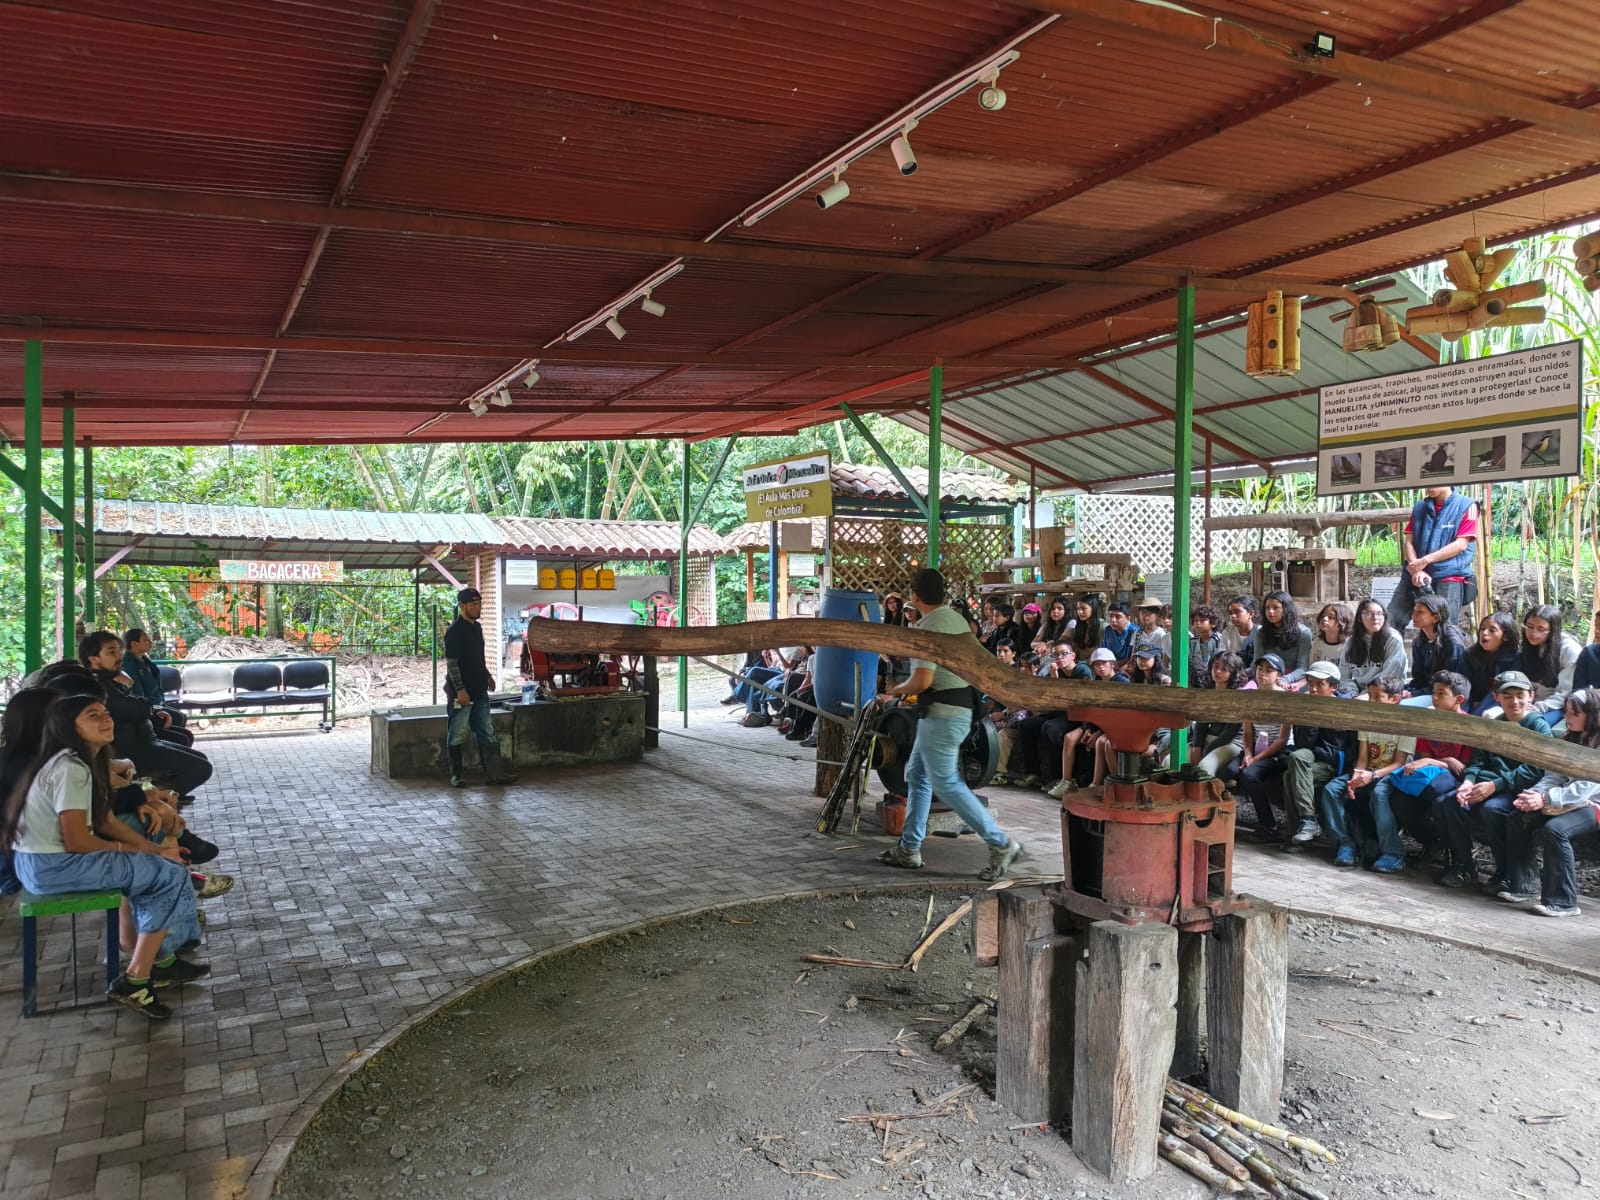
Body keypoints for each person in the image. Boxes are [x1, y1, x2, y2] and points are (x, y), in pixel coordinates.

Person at [3, 694, 207, 1019]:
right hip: (54, 867)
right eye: (92, 715)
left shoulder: (80, 761)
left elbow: (104, 821)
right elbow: (78, 840)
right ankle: (138, 978)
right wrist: (132, 853)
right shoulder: (71, 768)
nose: (106, 719)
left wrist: (151, 851)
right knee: (168, 876)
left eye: (105, 713)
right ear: (69, 728)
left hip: (42, 864)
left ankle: (160, 960)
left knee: (158, 867)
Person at [877, 568, 1025, 881]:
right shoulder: (957, 620)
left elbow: (922, 680)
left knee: (945, 783)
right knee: (918, 776)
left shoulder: (928, 627)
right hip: (958, 711)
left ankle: (1001, 843)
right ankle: (909, 848)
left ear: (915, 597)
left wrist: (896, 690)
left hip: (942, 714)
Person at [1435, 670, 1551, 892]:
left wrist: (1494, 785)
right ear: (1497, 698)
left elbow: (1535, 769)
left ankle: (1507, 871)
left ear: (1531, 696)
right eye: (1507, 696)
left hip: (1518, 788)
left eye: (1520, 695)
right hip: (1490, 784)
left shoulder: (1538, 726)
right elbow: (1478, 760)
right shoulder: (1492, 725)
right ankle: (1464, 865)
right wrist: (1468, 782)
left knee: (1493, 809)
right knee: (1449, 802)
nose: (1514, 701)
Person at [79, 632, 213, 797]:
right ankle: (155, 798)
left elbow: (138, 703)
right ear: (94, 659)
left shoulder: (111, 678)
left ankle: (160, 793)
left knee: (198, 757)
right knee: (201, 768)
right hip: (131, 746)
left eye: (119, 650)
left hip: (143, 737)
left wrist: (153, 709)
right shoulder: (97, 685)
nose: (119, 656)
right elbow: (132, 707)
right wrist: (132, 689)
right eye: (111, 652)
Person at [1508, 688, 1600, 917]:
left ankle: (1564, 901)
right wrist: (1533, 795)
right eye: (1567, 711)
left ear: (1592, 715)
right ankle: (1524, 884)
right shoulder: (1569, 738)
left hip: (1594, 805)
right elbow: (1554, 775)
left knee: (1556, 830)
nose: (1567, 717)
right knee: (1519, 817)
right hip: (1564, 799)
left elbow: (1586, 788)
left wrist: (1545, 798)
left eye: (1574, 713)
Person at [1318, 677, 1413, 871]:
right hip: (1368, 771)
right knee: (1332, 790)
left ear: (1394, 699)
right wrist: (1356, 777)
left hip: (1392, 775)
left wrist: (1372, 776)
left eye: (1378, 697)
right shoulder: (1368, 722)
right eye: (1370, 696)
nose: (1372, 701)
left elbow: (1399, 763)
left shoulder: (1405, 724)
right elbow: (1363, 758)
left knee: (1379, 795)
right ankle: (1345, 842)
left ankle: (1393, 853)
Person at [1391, 671, 1474, 863]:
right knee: (1399, 800)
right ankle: (1431, 841)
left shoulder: (1470, 725)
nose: (1434, 698)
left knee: (1440, 799)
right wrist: (1442, 760)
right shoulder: (1430, 722)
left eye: (1442, 693)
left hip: (1456, 779)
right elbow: (1425, 756)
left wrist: (1436, 761)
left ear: (1459, 699)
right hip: (1432, 772)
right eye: (1434, 692)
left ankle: (1452, 850)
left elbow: (1462, 766)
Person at [443, 587, 518, 787]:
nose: (478, 608)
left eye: (479, 604)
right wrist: (460, 690)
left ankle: (496, 774)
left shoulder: (477, 628)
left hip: (479, 690)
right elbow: (452, 663)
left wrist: (487, 675)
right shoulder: (454, 632)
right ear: (462, 606)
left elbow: (478, 658)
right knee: (457, 732)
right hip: (462, 694)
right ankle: (456, 776)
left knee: (486, 731)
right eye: (474, 604)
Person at [1386, 485, 1480, 632]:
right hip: (1414, 573)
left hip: (1449, 576)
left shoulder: (1467, 505)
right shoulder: (1419, 507)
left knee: (1444, 628)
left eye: (1433, 483)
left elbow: (1461, 544)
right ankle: (1393, 655)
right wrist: (1416, 568)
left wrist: (1424, 561)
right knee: (1391, 621)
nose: (1427, 487)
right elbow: (1409, 541)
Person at [1280, 661, 1352, 845]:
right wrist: (1311, 717)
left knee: (1293, 769)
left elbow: (1333, 751)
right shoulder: (1305, 705)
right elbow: (1302, 743)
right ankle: (1302, 826)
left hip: (1331, 764)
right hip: (1309, 758)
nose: (1313, 689)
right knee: (1293, 767)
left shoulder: (1342, 710)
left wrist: (1314, 749)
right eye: (1311, 683)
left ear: (1333, 687)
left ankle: (1305, 822)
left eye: (1320, 684)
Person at [1224, 654, 1292, 839]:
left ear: (1278, 675)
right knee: (1229, 770)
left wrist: (1255, 760)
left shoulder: (1285, 700)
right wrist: (1247, 753)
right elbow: (1247, 731)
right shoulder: (1251, 698)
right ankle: (1223, 818)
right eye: (1260, 669)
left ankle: (1268, 825)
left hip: (1277, 750)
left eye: (1268, 671)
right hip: (1254, 747)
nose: (1262, 674)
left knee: (1249, 774)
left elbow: (1282, 739)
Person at [120, 628, 189, 738]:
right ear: (134, 644)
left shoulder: (143, 659)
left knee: (181, 717)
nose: (150, 642)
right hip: (148, 707)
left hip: (157, 702)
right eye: (146, 640)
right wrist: (154, 709)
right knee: (178, 719)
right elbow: (137, 693)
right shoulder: (128, 664)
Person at [1191, 652, 1251, 777]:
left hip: (1232, 743)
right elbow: (1201, 723)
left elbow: (1230, 732)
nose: (1218, 671)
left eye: (1224, 669)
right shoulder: (1209, 692)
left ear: (1233, 673)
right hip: (1209, 738)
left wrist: (1206, 750)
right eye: (1216, 666)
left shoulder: (1238, 697)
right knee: (1169, 761)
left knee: (1205, 767)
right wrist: (1197, 747)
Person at [1402, 595, 1469, 707]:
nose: (1413, 616)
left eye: (1420, 612)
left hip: (1449, 695)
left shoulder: (1452, 643)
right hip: (1429, 692)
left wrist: (1414, 694)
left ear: (1436, 618)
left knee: (1403, 705)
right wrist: (1404, 690)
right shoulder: (1419, 642)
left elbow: (1452, 684)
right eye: (1414, 611)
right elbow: (1419, 678)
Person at [1519, 604, 1580, 718]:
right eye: (1529, 626)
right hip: (1526, 700)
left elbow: (1565, 692)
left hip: (1556, 705)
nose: (1533, 633)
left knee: (1532, 724)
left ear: (1553, 630)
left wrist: (1539, 707)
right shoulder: (1526, 645)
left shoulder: (1569, 650)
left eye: (1540, 629)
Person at [1339, 598, 1407, 696]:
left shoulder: (1393, 639)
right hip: (1355, 692)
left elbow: (1390, 675)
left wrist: (1366, 695)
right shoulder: (1351, 641)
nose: (1375, 617)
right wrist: (1352, 693)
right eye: (1369, 613)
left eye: (1379, 613)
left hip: (1383, 692)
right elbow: (1344, 675)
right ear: (1359, 618)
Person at [1252, 591, 1312, 689]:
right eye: (1267, 608)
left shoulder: (1304, 633)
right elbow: (1256, 663)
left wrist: (1284, 679)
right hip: (1265, 678)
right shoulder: (1261, 633)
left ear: (1287, 609)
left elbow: (1302, 668)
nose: (1270, 611)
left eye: (1276, 607)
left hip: (1293, 680)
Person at [1463, 613, 1519, 715]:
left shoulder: (1515, 658)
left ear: (1506, 636)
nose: (1484, 633)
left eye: (1492, 630)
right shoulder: (1469, 655)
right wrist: (1464, 710)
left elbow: (1505, 689)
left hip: (1500, 703)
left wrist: (1477, 711)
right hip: (1473, 701)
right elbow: (1463, 685)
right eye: (1482, 628)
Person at [1187, 605, 1224, 688]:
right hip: (1197, 676)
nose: (1197, 623)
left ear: (1213, 624)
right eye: (1196, 620)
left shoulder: (1218, 639)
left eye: (1202, 620)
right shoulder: (1193, 641)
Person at [1310, 603, 1352, 668]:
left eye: (1331, 617)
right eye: (1322, 616)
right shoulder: (1317, 644)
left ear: (1342, 621)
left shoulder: (1351, 646)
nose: (1324, 619)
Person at [1222, 596, 1258, 668]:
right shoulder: (1228, 632)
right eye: (1231, 613)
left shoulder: (1260, 632)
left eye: (1237, 612)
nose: (1233, 616)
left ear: (1251, 614)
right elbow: (1222, 656)